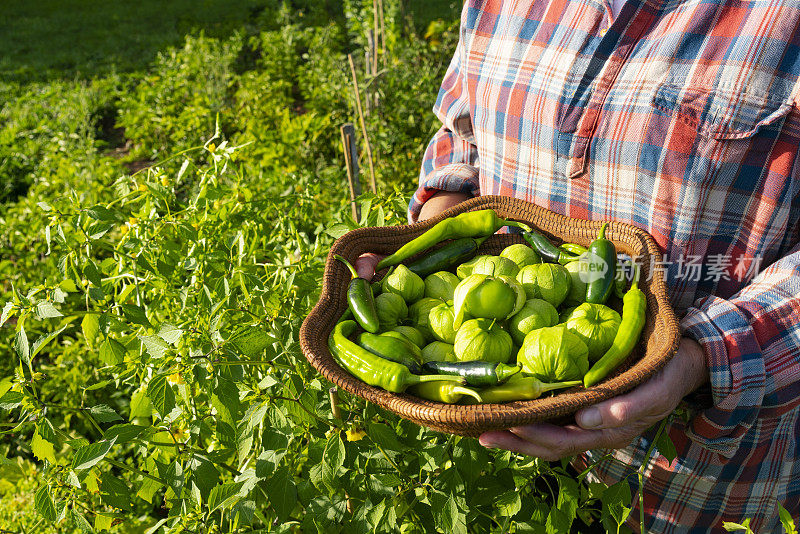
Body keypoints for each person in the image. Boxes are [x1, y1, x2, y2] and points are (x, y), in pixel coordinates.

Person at [357, 0, 800, 530]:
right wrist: (432, 239)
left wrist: (696, 359)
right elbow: (465, 135)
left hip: (690, 485)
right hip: (486, 470)